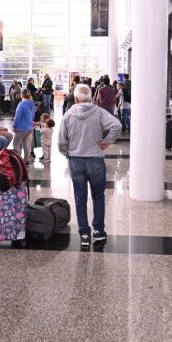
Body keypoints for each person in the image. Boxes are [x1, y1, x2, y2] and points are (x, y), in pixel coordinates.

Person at [58, 84, 122, 249]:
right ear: (91, 98)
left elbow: (61, 141)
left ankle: (84, 234)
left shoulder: (67, 115)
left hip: (76, 161)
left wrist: (67, 153)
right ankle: (99, 232)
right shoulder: (99, 112)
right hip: (95, 161)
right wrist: (106, 142)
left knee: (80, 198)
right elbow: (117, 126)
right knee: (98, 197)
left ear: (77, 99)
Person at [12, 88, 36, 165]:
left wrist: (14, 125)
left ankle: (19, 161)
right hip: (29, 127)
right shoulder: (32, 103)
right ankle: (26, 161)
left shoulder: (21, 104)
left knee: (16, 143)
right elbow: (33, 116)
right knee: (27, 145)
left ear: (22, 95)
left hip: (21, 128)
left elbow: (17, 116)